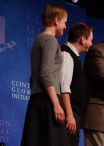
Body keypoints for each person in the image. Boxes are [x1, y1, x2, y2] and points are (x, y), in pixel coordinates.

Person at [20, 4, 69, 146]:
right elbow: (46, 73)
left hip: (37, 101)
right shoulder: (50, 41)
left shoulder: (38, 40)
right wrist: (56, 104)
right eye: (64, 22)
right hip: (48, 101)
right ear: (56, 20)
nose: (65, 26)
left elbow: (33, 78)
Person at [60, 23, 93, 146]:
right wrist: (69, 115)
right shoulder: (66, 54)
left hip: (75, 114)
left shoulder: (74, 56)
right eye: (90, 40)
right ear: (83, 40)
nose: (91, 44)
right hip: (70, 113)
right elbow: (64, 87)